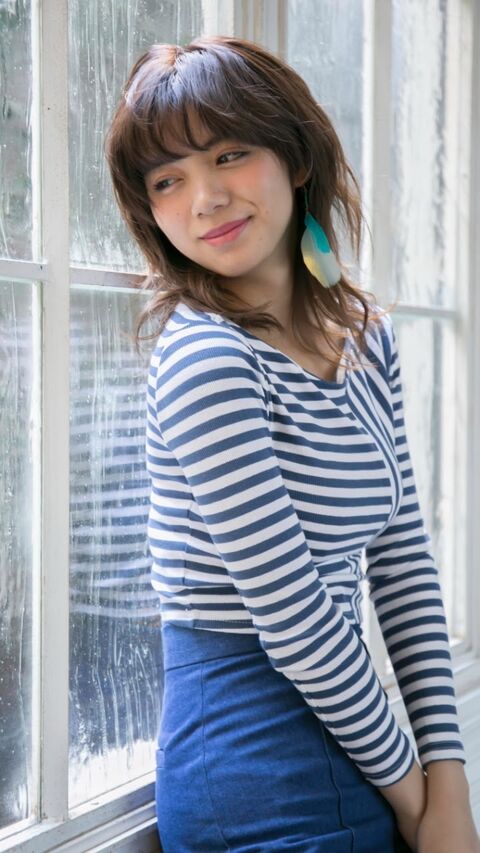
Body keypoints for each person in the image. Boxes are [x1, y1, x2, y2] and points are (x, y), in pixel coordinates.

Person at [104, 35, 480, 853]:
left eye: (229, 155)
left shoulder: (362, 335)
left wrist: (449, 776)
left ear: (296, 157)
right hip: (255, 774)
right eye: (168, 180)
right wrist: (417, 798)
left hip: (356, 740)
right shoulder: (207, 360)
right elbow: (296, 619)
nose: (206, 198)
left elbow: (402, 560)